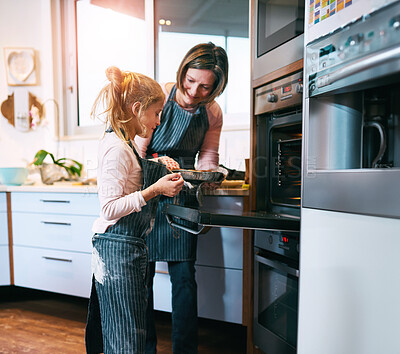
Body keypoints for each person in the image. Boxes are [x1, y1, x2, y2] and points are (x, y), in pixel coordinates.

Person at [135, 42, 229, 354]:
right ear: (182, 73)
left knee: (185, 279)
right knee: (142, 282)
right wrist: (158, 164)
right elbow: (138, 151)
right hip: (149, 196)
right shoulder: (158, 98)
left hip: (183, 199)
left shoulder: (212, 112)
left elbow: (208, 155)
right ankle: (145, 348)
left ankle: (185, 350)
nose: (193, 91)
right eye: (189, 81)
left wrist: (210, 173)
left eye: (204, 87)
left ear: (217, 87)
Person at [85, 66, 184, 354]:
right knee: (125, 336)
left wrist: (157, 163)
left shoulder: (124, 143)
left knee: (125, 329)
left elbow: (131, 177)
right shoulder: (117, 148)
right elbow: (109, 208)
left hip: (126, 247)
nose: (158, 121)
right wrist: (155, 190)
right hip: (116, 247)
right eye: (155, 113)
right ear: (137, 108)